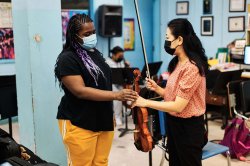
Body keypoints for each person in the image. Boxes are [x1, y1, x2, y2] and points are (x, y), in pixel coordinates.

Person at [54, 14, 137, 166]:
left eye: (93, 32)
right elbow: (80, 90)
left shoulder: (94, 54)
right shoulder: (67, 58)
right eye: (86, 34)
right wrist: (116, 95)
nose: (92, 36)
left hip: (103, 119)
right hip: (79, 121)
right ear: (74, 36)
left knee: (100, 162)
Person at [132, 18, 209, 166]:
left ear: (179, 39)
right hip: (173, 123)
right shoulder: (177, 63)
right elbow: (173, 95)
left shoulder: (191, 68)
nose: (166, 42)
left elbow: (178, 106)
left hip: (189, 128)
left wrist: (146, 102)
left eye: (168, 38)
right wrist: (157, 89)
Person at [106, 46, 130, 125]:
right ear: (113, 55)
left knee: (128, 93)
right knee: (117, 98)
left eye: (122, 56)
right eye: (120, 56)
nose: (121, 58)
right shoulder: (107, 62)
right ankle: (117, 117)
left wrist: (127, 66)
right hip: (111, 84)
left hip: (120, 83)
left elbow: (125, 73)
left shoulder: (121, 62)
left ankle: (126, 110)